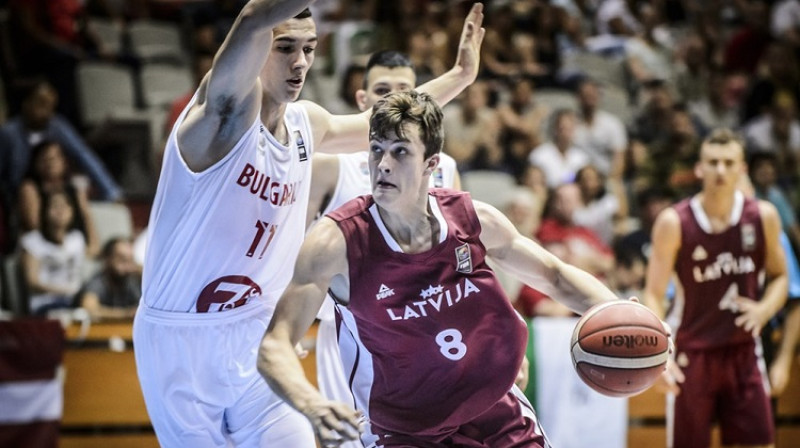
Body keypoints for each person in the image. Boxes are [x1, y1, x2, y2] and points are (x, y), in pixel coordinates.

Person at [132, 1, 486, 446]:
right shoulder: (218, 119)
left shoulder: (307, 125)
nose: (300, 62)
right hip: (182, 341)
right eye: (285, 48)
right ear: (256, 49)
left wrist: (461, 76)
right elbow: (252, 18)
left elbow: (392, 125)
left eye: (310, 48)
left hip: (256, 333)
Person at [257, 90, 627, 447]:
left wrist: (625, 314)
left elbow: (555, 276)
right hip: (405, 432)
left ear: (432, 164)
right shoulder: (336, 243)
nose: (383, 164)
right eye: (376, 150)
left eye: (400, 152)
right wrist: (311, 403)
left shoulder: (472, 220)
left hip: (497, 414)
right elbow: (275, 345)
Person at [307, 51, 461, 448]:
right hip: (353, 331)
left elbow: (463, 258)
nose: (394, 99)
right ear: (362, 102)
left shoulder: (443, 168)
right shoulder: (330, 164)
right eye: (381, 91)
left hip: (426, 326)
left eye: (405, 90)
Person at [643, 128, 788, 448]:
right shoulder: (673, 222)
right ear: (699, 168)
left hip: (744, 351)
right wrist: (659, 352)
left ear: (742, 169)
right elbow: (653, 292)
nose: (720, 170)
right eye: (712, 162)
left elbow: (781, 278)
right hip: (691, 354)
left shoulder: (763, 216)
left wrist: (765, 309)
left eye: (728, 162)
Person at [0, 80, 122, 202]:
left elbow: (84, 156)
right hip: (21, 194)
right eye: (41, 105)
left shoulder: (58, 126)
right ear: (26, 104)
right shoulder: (9, 133)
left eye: (51, 107)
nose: (47, 113)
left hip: (55, 193)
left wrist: (110, 191)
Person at [20, 190, 88, 316]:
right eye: (55, 206)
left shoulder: (77, 239)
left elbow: (98, 250)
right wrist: (66, 291)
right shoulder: (32, 240)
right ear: (45, 211)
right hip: (45, 303)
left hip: (75, 302)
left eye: (65, 206)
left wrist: (85, 210)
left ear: (72, 211)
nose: (60, 211)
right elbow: (32, 281)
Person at [78, 237, 141, 321]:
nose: (128, 267)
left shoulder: (131, 280)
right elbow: (90, 309)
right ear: (108, 259)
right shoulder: (98, 282)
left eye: (130, 260)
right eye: (122, 260)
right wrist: (126, 314)